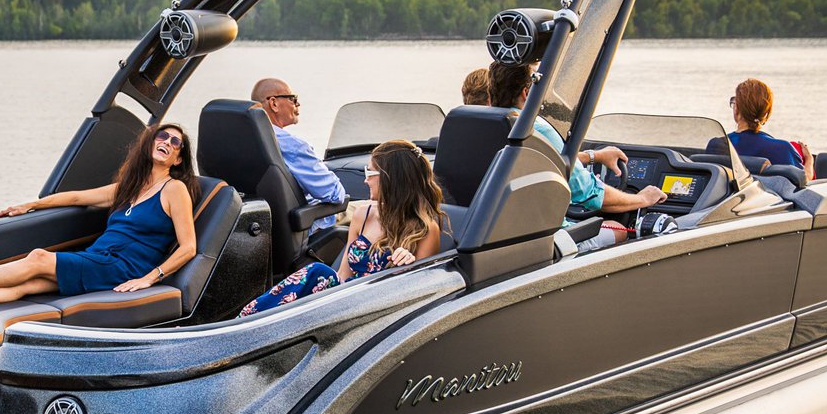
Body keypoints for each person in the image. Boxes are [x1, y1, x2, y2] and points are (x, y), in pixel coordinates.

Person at [0, 122, 198, 312]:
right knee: (30, 285)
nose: (168, 142)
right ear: (150, 143)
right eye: (163, 136)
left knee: (38, 258)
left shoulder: (174, 189)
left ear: (178, 159)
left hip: (123, 267)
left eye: (176, 143)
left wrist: (149, 278)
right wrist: (30, 205)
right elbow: (76, 197)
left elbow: (188, 247)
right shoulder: (129, 187)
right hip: (99, 257)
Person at [239, 140, 445, 316]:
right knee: (318, 272)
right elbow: (343, 275)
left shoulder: (425, 230)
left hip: (377, 309)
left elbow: (417, 296)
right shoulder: (362, 215)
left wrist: (407, 265)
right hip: (344, 301)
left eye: (370, 172)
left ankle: (249, 323)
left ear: (392, 178)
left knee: (317, 271)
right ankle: (250, 321)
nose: (365, 180)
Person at [487, 61, 667, 216]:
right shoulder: (534, 130)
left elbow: (549, 162)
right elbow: (590, 194)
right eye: (539, 83)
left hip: (500, 223)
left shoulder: (487, 123)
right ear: (527, 93)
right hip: (544, 236)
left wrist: (593, 156)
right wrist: (643, 198)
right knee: (619, 230)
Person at [251, 78, 348, 229]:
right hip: (305, 225)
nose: (298, 104)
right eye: (293, 98)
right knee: (371, 211)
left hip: (262, 227)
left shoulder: (245, 140)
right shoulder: (294, 147)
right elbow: (335, 195)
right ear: (274, 103)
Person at [707, 78, 815, 180]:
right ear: (766, 113)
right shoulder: (782, 149)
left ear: (737, 109)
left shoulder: (716, 145)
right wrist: (809, 160)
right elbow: (804, 180)